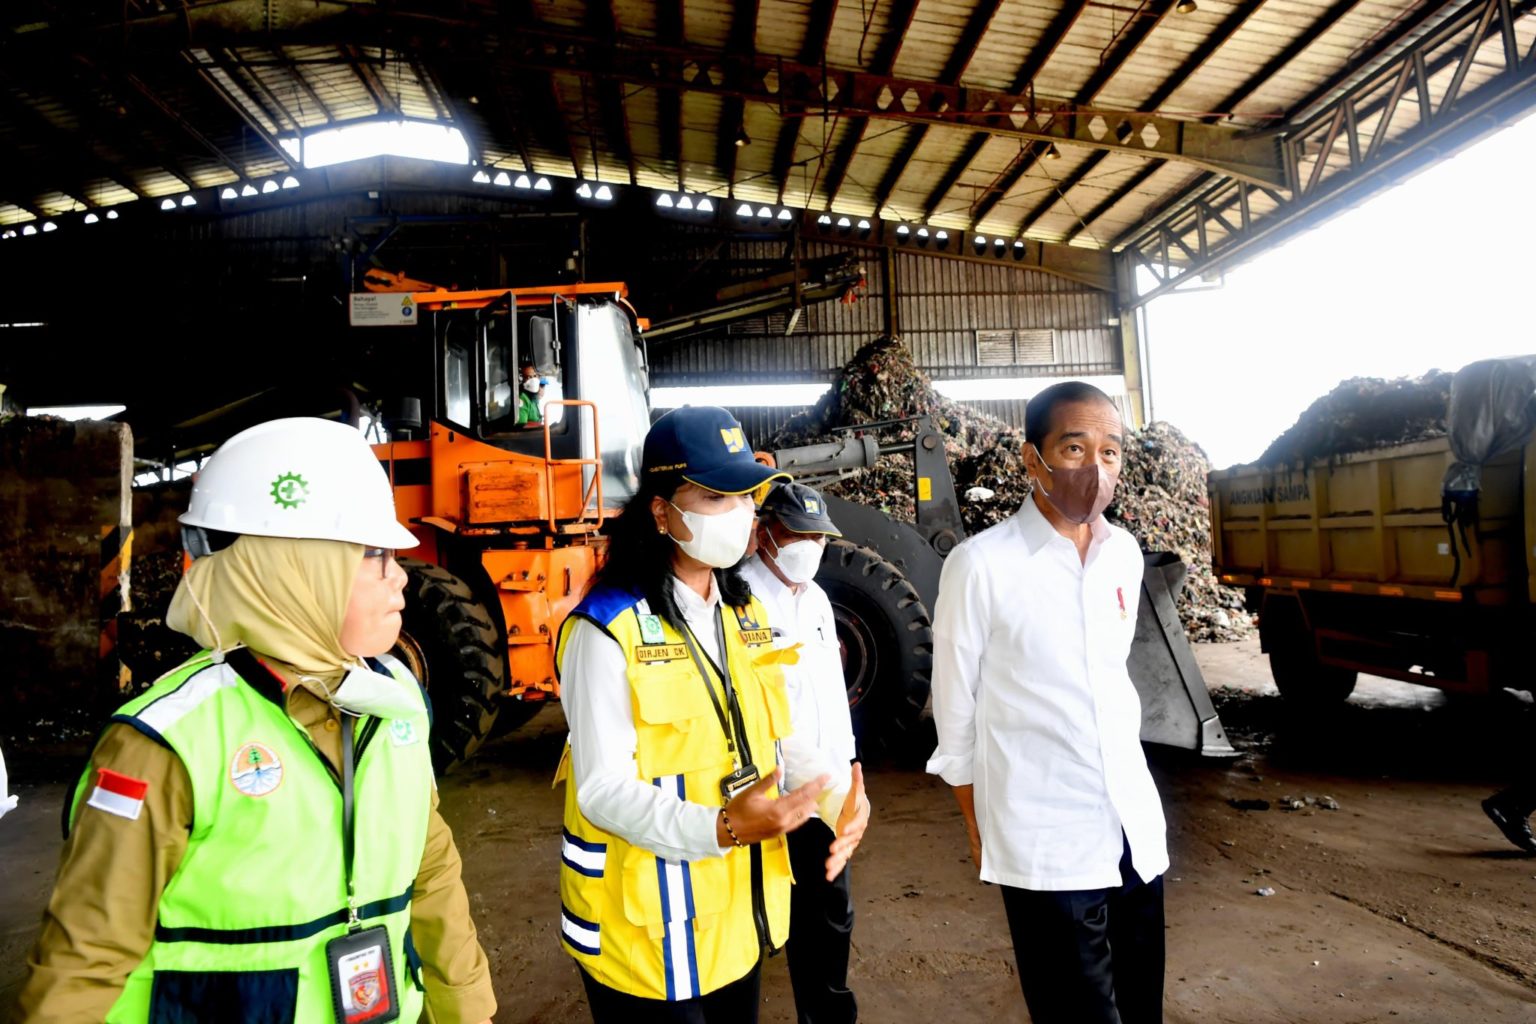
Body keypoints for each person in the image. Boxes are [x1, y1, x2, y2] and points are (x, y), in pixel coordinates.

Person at [14, 417, 496, 1024]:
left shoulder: (392, 696)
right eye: (375, 556)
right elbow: (85, 961)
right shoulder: (168, 742)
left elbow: (430, 873)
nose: (401, 576)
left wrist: (467, 1008)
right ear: (293, 573)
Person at [554, 405, 869, 1023]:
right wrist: (722, 827)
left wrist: (840, 802)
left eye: (746, 496)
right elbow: (600, 790)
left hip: (732, 925)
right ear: (660, 511)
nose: (741, 514)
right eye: (715, 497)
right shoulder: (607, 629)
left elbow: (779, 742)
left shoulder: (742, 616)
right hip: (645, 936)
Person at [926, 381, 1168, 1024]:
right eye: (1074, 447)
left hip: (1134, 832)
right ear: (1032, 460)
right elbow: (954, 717)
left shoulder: (1125, 555)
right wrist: (979, 826)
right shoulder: (981, 566)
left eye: (1110, 451)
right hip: (1045, 841)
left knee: (1142, 1008)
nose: (1095, 467)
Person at [739, 481, 864, 1024]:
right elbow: (764, 710)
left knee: (830, 910)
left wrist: (851, 767)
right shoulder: (737, 598)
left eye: (819, 536)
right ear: (766, 532)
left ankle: (828, 1015)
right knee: (758, 914)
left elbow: (831, 692)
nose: (810, 545)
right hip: (771, 789)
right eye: (799, 533)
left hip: (827, 784)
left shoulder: (814, 597)